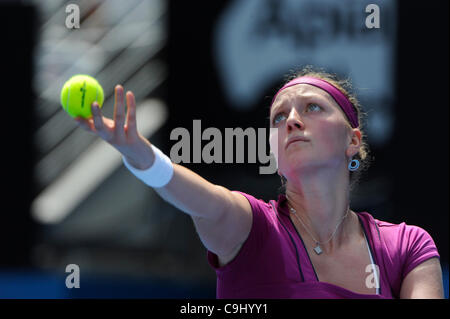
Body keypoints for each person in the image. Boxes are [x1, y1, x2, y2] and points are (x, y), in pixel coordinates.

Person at [74, 67, 444, 299]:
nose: (292, 121)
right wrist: (141, 155)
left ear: (352, 140)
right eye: (279, 116)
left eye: (313, 107)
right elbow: (201, 198)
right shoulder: (250, 226)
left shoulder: (407, 245)